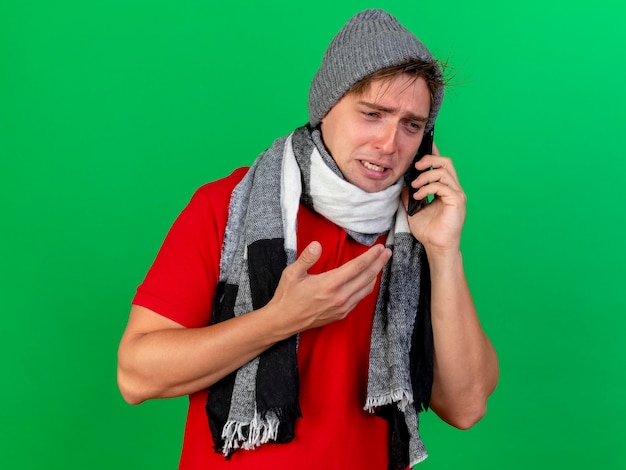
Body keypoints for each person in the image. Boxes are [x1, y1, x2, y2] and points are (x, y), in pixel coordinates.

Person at [117, 8, 498, 470]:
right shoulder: (228, 205)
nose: (389, 143)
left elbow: (466, 406)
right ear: (326, 108)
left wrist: (443, 250)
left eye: (411, 125)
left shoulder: (416, 230)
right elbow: (136, 375)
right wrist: (279, 320)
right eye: (372, 114)